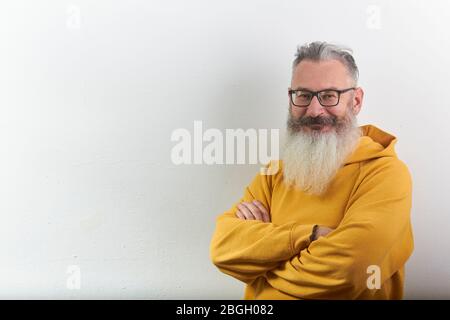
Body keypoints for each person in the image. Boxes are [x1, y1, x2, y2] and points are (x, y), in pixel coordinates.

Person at [209, 41, 414, 299]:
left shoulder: (385, 175)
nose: (315, 111)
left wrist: (263, 265)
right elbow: (223, 248)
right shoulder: (274, 173)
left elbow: (348, 271)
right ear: (291, 98)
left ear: (356, 100)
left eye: (329, 95)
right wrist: (308, 236)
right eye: (304, 95)